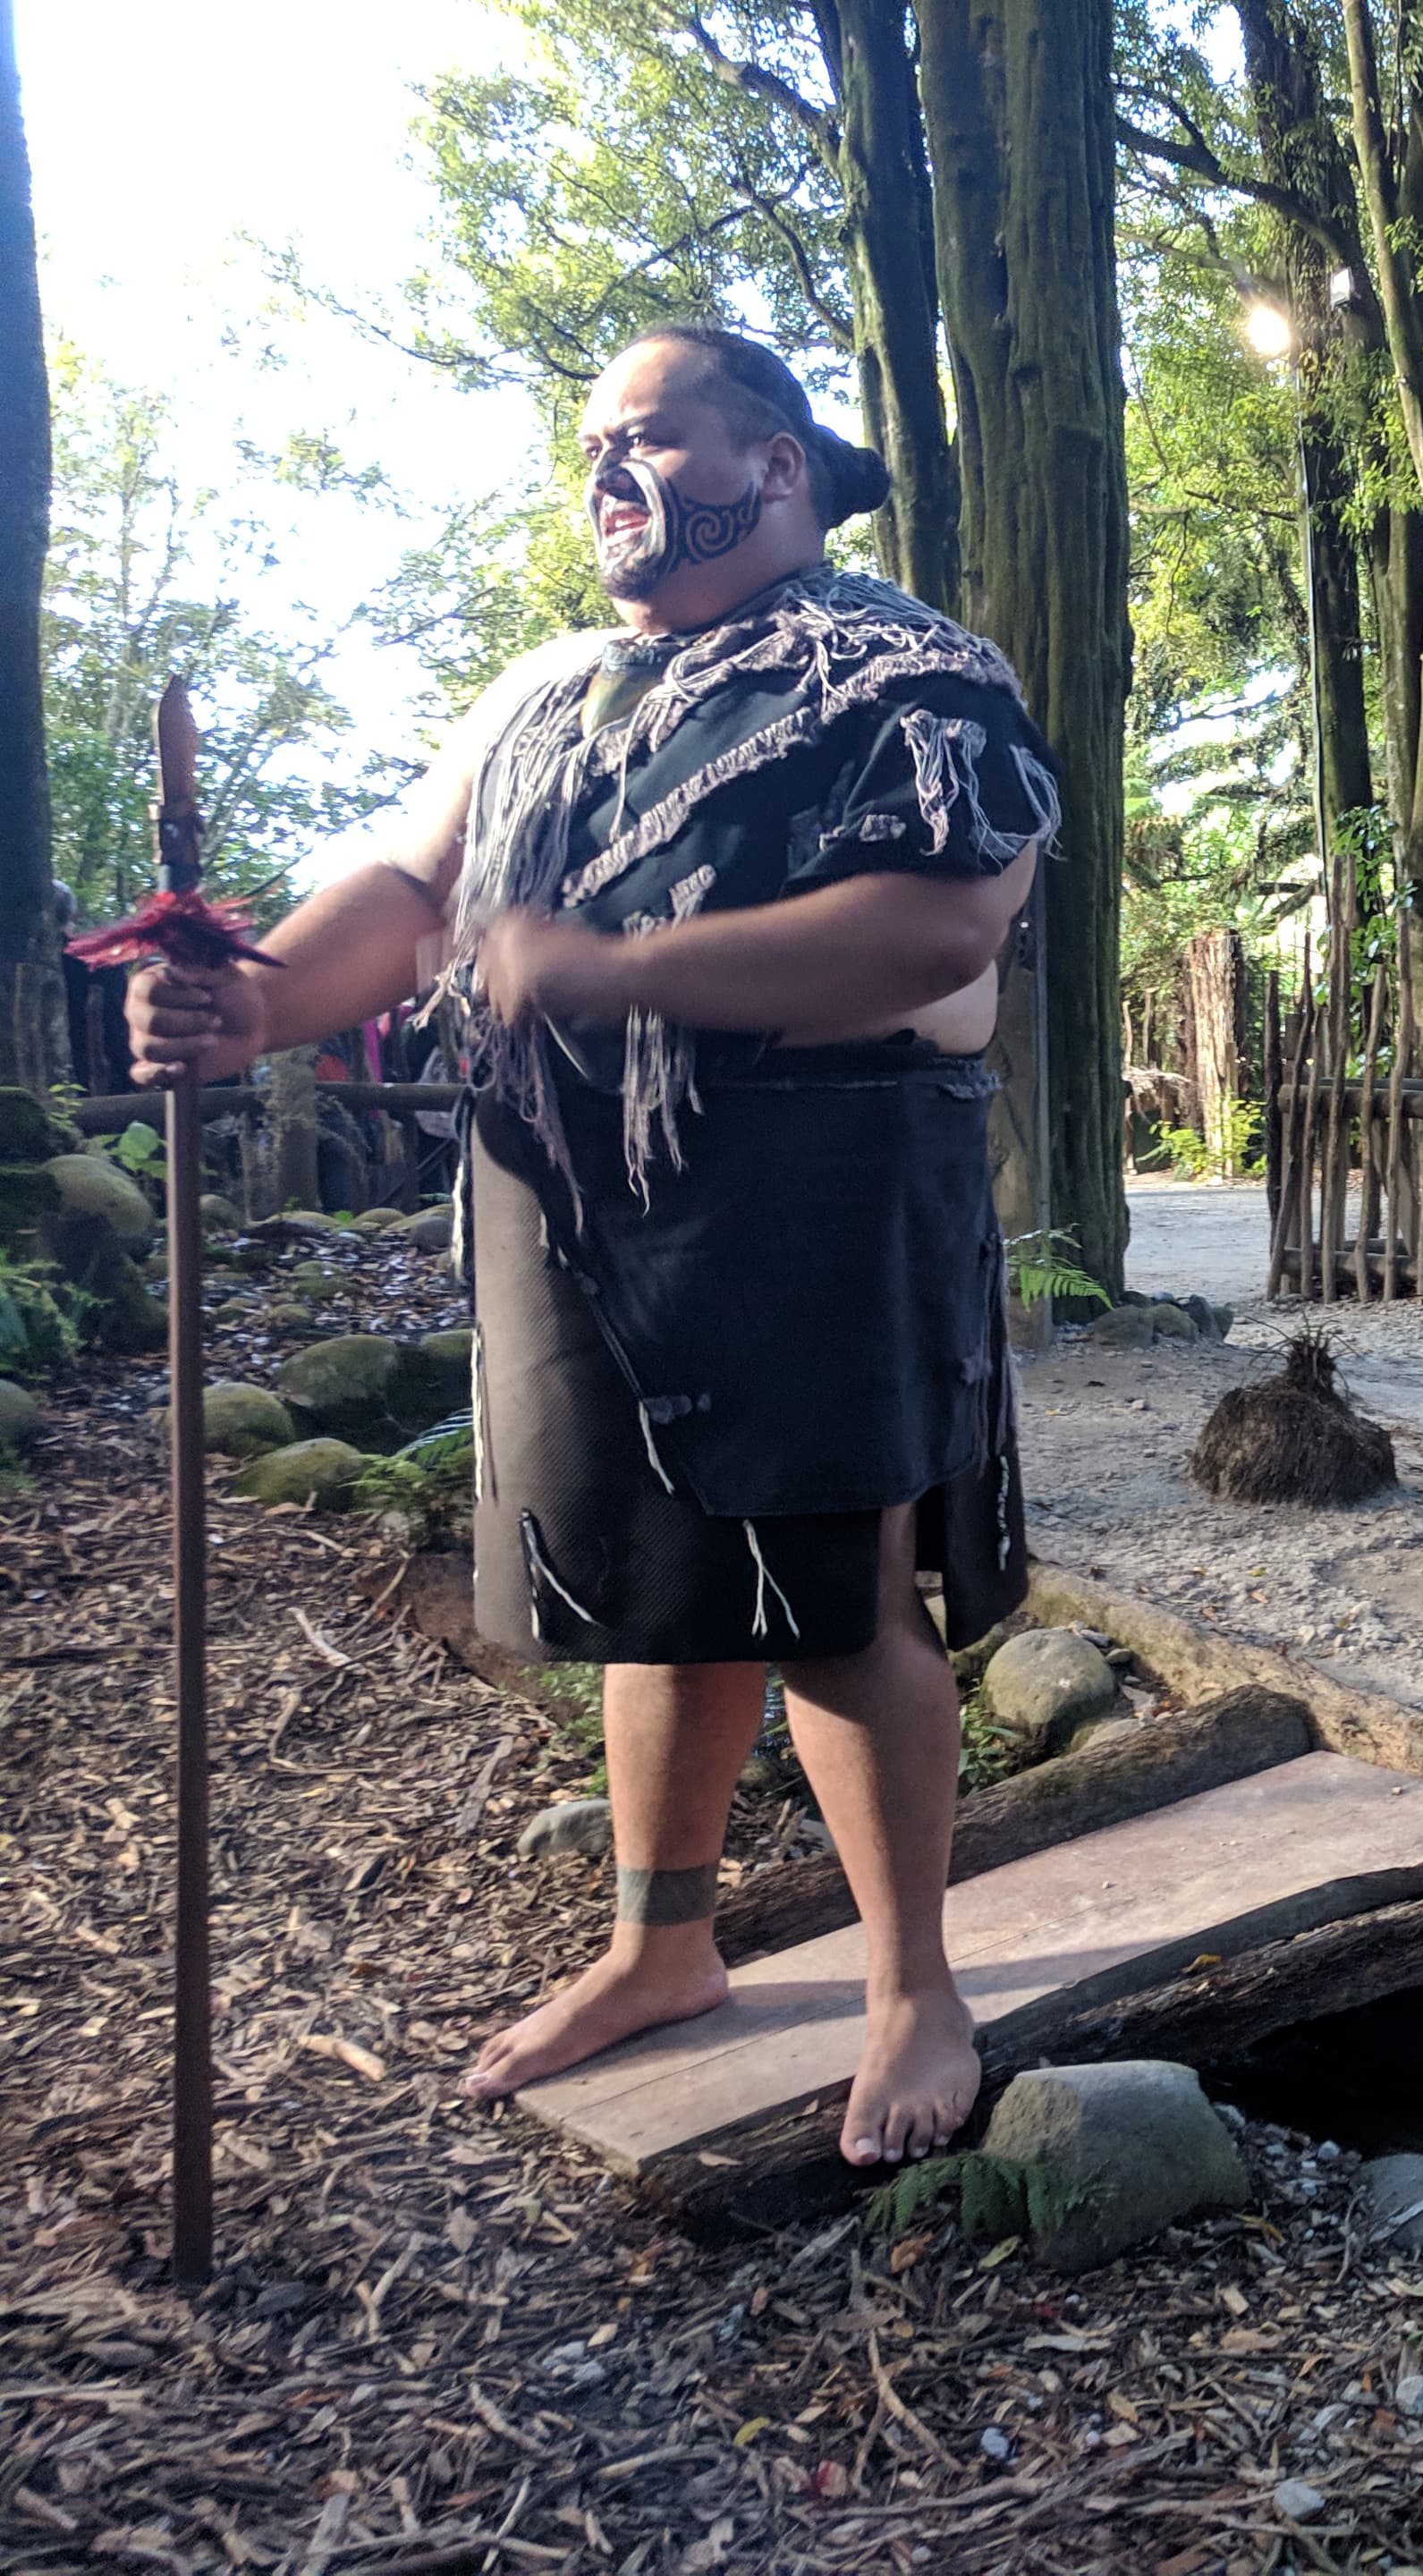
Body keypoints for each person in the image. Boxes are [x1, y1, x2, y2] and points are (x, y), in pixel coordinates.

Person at [125, 323, 1057, 2166]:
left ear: (775, 466)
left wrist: (611, 971)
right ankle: (661, 1947)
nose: (612, 475)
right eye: (593, 450)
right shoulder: (545, 688)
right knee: (650, 1575)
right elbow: (412, 891)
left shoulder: (914, 669)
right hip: (567, 1189)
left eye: (653, 437)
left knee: (833, 1592)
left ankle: (912, 1990)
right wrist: (257, 1006)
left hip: (821, 1170)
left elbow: (941, 925)